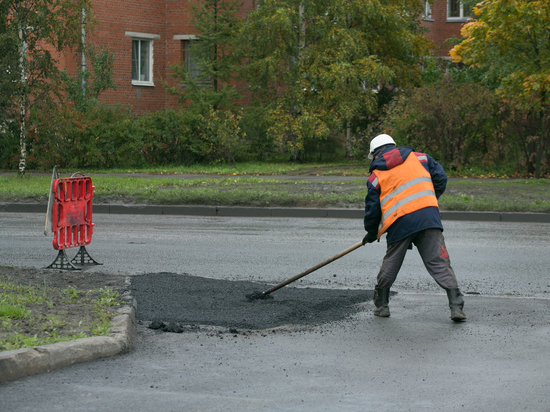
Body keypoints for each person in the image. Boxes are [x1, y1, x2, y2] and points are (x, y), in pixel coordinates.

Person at [362, 134, 466, 322]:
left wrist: (371, 233)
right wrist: (429, 200)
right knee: (439, 262)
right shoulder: (421, 158)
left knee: (391, 263)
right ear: (394, 146)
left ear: (375, 154)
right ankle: (456, 306)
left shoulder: (375, 177)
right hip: (428, 216)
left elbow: (372, 211)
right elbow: (440, 177)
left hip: (399, 223)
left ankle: (382, 306)